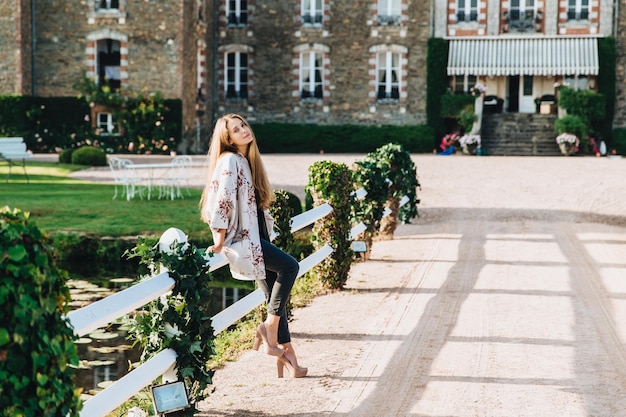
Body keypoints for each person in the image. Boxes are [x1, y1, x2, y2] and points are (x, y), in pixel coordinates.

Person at [199, 113, 307, 378]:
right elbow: (221, 199)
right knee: (290, 268)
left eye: (243, 125)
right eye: (236, 130)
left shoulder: (246, 160)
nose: (244, 131)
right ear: (228, 138)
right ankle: (269, 328)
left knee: (274, 297)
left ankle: (287, 355)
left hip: (259, 237)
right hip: (248, 241)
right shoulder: (231, 160)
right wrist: (219, 239)